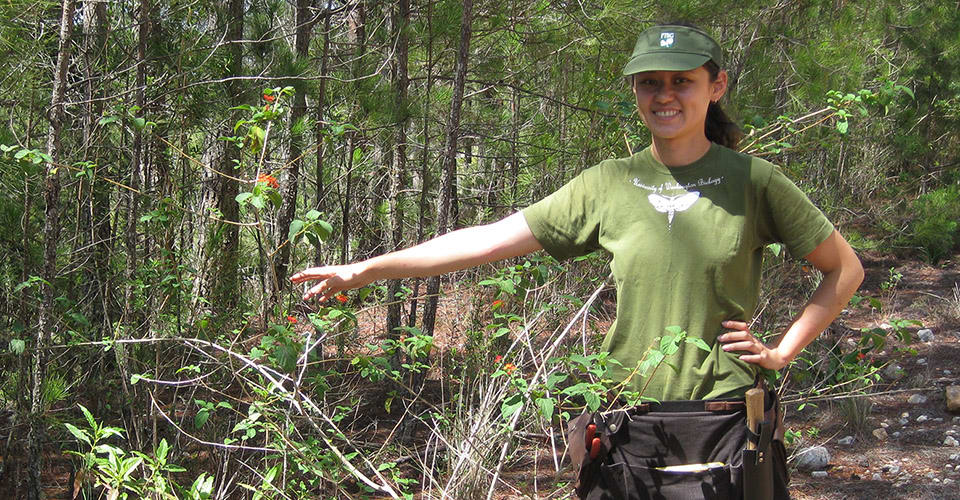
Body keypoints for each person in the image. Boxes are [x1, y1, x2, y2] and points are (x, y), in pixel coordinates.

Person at [292, 22, 863, 498]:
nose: (665, 95)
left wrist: (782, 350)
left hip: (725, 419)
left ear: (715, 87)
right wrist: (366, 270)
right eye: (650, 83)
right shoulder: (609, 183)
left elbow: (844, 269)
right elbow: (489, 239)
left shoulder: (753, 183)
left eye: (682, 81)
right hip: (627, 418)